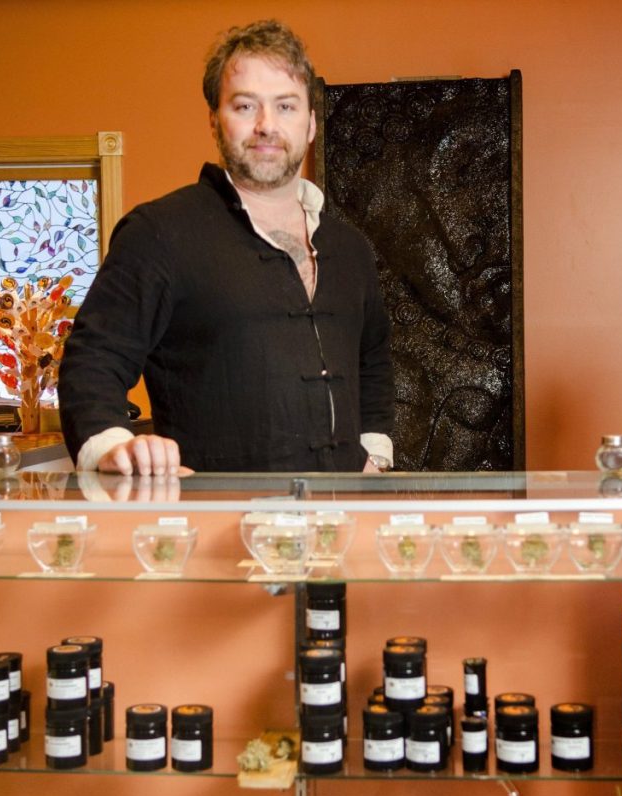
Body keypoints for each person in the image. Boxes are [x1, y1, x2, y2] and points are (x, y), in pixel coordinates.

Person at [58, 20, 394, 476]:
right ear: (215, 120)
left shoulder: (350, 248)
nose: (266, 125)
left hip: (341, 524)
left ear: (311, 123)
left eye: (286, 106)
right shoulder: (157, 232)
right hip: (216, 525)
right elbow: (93, 360)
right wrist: (114, 447)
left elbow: (372, 361)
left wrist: (374, 455)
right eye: (245, 105)